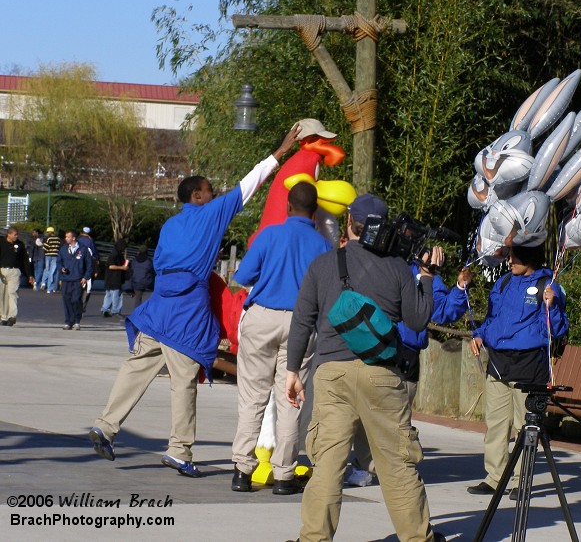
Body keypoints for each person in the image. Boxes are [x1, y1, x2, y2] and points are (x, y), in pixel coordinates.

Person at [89, 125, 301, 478]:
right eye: (210, 191)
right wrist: (279, 152)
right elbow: (249, 185)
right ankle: (179, 450)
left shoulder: (170, 225)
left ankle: (105, 425)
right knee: (184, 379)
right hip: (187, 312)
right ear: (198, 197)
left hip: (157, 309)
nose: (216, 194)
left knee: (136, 367)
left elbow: (161, 265)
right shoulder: (211, 214)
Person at [285, 193, 444, 542]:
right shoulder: (398, 268)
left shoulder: (323, 265)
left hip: (331, 374)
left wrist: (293, 371)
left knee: (327, 464)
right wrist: (428, 277)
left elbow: (301, 322)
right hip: (382, 376)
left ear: (349, 224)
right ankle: (418, 538)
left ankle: (314, 538)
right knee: (395, 465)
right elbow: (417, 321)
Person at [230, 181, 332, 495]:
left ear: (288, 206)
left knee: (252, 398)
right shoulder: (322, 245)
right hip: (301, 323)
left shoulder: (270, 235)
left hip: (261, 318)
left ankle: (242, 471)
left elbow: (242, 276)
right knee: (291, 399)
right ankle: (285, 474)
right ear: (314, 212)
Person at [346, 256, 473, 487]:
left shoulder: (427, 275)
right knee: (368, 409)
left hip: (409, 353)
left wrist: (459, 288)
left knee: (400, 415)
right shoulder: (382, 265)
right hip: (380, 345)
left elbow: (442, 311)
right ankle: (363, 464)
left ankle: (399, 466)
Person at [467, 245, 568, 499]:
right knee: (496, 424)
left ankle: (520, 482)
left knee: (525, 425)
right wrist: (479, 336)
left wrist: (552, 306)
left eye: (515, 256)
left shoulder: (549, 285)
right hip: (499, 362)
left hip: (529, 362)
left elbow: (558, 329)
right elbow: (492, 319)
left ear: (530, 257)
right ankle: (495, 478)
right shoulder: (502, 283)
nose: (509, 260)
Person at [57, 230, 94, 331]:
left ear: (73, 238)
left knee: (76, 300)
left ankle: (77, 320)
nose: (66, 239)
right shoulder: (63, 249)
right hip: (66, 279)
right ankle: (68, 321)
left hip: (78, 279)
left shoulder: (83, 249)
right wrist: (61, 269)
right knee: (66, 300)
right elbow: (58, 262)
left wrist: (86, 277)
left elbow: (90, 265)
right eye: (65, 237)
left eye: (68, 237)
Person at [0, 227, 34, 326]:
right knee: (2, 294)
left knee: (12, 293)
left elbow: (25, 260)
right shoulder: (1, 243)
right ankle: (4, 317)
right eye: (15, 234)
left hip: (14, 271)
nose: (16, 236)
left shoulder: (20, 244)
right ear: (9, 234)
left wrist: (30, 274)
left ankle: (12, 316)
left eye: (17, 234)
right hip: (2, 270)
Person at [101, 239, 128, 317]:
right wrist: (122, 268)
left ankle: (105, 309)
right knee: (117, 295)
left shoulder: (115, 253)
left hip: (109, 278)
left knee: (108, 294)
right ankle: (115, 310)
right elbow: (111, 266)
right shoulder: (115, 254)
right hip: (115, 278)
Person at [77, 226, 99, 312]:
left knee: (79, 287)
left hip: (79, 266)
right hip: (89, 266)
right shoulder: (90, 241)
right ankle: (83, 306)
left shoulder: (77, 240)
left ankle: (77, 304)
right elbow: (95, 254)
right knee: (87, 288)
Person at [129, 245, 155, 309]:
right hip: (146, 282)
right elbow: (152, 271)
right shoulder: (149, 261)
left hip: (135, 281)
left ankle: (138, 310)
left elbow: (131, 271)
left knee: (138, 296)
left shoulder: (134, 260)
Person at [41, 226, 61, 293]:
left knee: (47, 269)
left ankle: (44, 282)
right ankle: (50, 288)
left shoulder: (48, 239)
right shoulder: (58, 239)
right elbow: (59, 248)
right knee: (53, 272)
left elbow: (45, 248)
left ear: (49, 232)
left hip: (48, 255)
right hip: (55, 256)